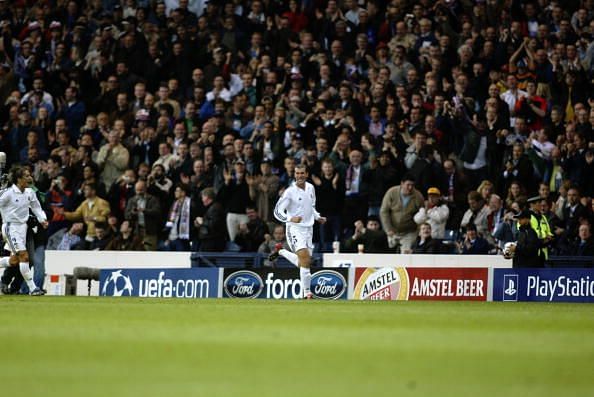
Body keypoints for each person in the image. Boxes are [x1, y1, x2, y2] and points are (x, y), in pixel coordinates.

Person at [270, 164, 327, 299]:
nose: (299, 176)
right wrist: (290, 218)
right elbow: (277, 211)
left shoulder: (311, 188)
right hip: (294, 229)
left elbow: (311, 207)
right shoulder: (289, 192)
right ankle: (307, 292)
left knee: (304, 262)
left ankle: (281, 251)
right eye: (297, 173)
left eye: (302, 173)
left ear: (307, 174)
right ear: (294, 175)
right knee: (305, 258)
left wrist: (318, 216)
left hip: (309, 229)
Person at [0, 166, 47, 295]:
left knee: (14, 261)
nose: (29, 178)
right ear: (18, 179)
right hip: (11, 227)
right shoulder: (8, 193)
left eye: (29, 175)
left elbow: (36, 207)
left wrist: (42, 219)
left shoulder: (30, 192)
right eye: (26, 176)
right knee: (24, 256)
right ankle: (33, 289)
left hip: (23, 228)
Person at [380, 174, 424, 253]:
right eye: (408, 185)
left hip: (409, 232)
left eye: (412, 185)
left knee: (405, 255)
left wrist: (418, 232)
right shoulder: (392, 192)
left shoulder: (418, 196)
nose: (410, 188)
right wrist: (388, 229)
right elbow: (384, 212)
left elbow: (422, 216)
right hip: (392, 230)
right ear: (402, 183)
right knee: (387, 252)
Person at [194, 188, 226, 252]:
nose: (202, 199)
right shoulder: (212, 207)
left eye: (203, 197)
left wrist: (202, 221)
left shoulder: (215, 208)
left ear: (207, 197)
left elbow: (213, 224)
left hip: (212, 242)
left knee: (208, 261)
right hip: (209, 241)